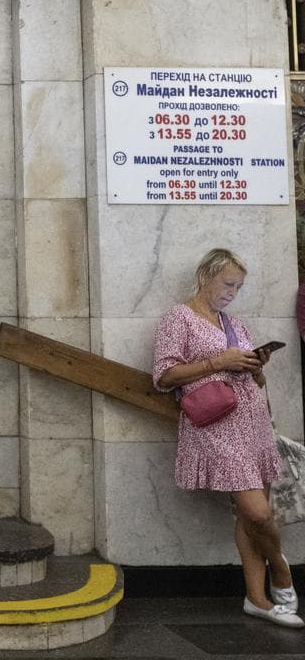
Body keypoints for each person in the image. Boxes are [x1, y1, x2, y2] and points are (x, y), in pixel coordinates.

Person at [152, 248, 302, 628]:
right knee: (258, 512)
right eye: (228, 283)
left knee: (248, 515)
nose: (233, 292)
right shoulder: (179, 318)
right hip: (216, 425)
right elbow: (164, 377)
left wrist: (255, 366)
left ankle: (256, 598)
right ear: (206, 276)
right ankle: (282, 572)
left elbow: (256, 380)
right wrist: (220, 362)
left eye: (239, 286)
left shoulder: (234, 324)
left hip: (252, 423)